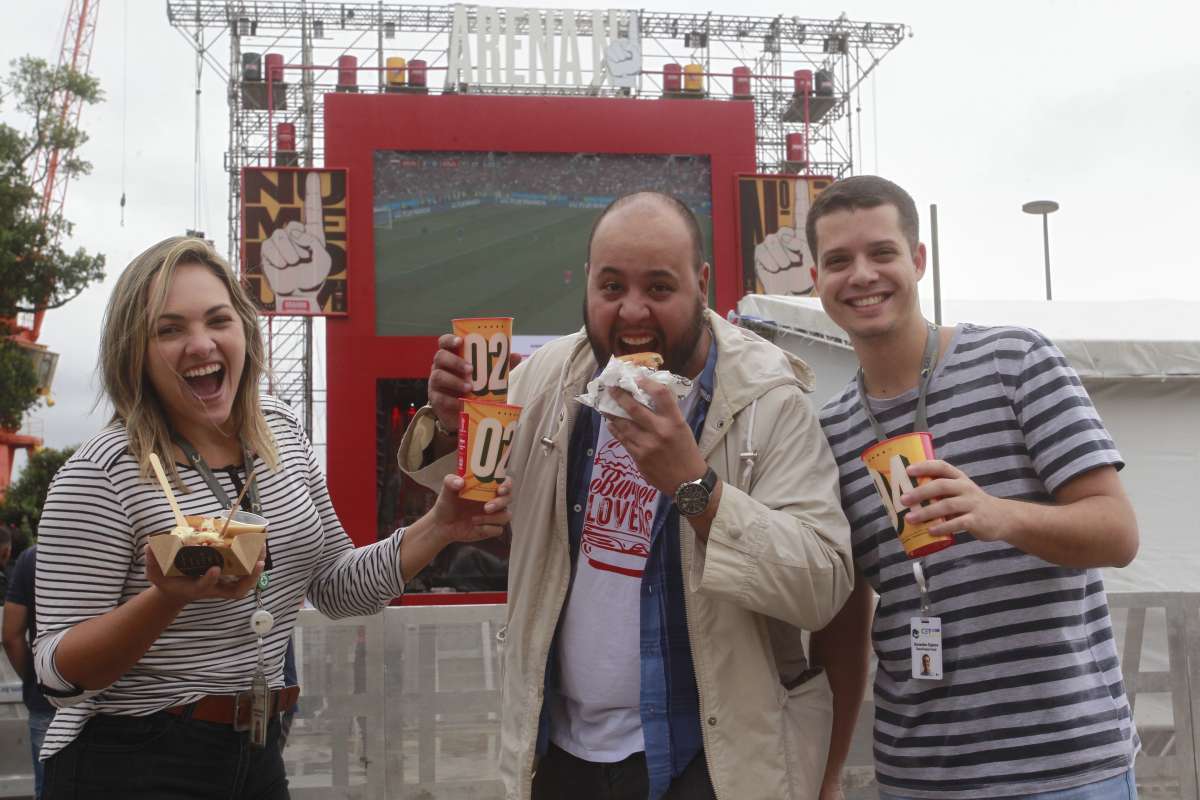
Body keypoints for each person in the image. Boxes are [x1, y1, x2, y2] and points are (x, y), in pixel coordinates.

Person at [399, 191, 854, 799]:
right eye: (611, 287)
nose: (632, 311)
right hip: (557, 754)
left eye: (659, 288)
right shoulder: (545, 376)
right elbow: (475, 498)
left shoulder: (769, 397)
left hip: (710, 759)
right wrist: (453, 424)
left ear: (702, 283)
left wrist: (694, 489)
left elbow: (820, 585)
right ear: (588, 283)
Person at [32, 236, 510, 799]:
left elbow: (337, 589)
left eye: (218, 319)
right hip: (131, 757)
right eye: (169, 330)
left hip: (257, 749)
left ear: (244, 331)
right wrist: (166, 597)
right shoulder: (101, 471)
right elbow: (56, 677)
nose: (200, 343)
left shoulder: (281, 433)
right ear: (133, 351)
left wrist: (440, 525)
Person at [806, 176, 1140, 799]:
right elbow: (846, 625)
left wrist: (997, 514)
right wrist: (829, 777)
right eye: (838, 261)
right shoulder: (829, 432)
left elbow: (1117, 533)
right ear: (815, 278)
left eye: (882, 253)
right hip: (920, 776)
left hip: (1065, 768)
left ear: (919, 261)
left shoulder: (1016, 362)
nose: (862, 275)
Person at [3, 544, 55, 799]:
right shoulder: (121, 554)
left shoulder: (32, 558)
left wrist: (35, 677)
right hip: (110, 702)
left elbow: (12, 636)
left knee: (47, 787)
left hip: (46, 700)